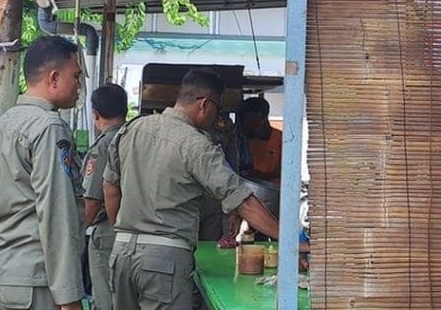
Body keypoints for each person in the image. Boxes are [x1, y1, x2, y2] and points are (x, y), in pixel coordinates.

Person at [103, 69, 291, 310]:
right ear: (204, 104)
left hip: (121, 255)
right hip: (164, 259)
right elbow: (242, 200)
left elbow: (109, 186)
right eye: (217, 109)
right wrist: (287, 239)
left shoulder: (131, 130)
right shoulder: (196, 144)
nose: (217, 117)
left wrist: (121, 231)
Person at [0, 36, 86, 310]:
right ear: (54, 78)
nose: (79, 86)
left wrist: (3, 247)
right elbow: (57, 212)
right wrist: (69, 296)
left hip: (1, 275)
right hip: (36, 282)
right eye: (76, 76)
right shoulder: (49, 128)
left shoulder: (0, 125)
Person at [81, 83, 128, 310]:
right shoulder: (135, 139)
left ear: (95, 113)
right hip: (135, 227)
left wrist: (75, 235)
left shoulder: (103, 146)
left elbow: (92, 201)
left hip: (108, 231)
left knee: (106, 299)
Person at [239, 97, 282, 182]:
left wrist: (261, 176)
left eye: (248, 120)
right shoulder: (241, 140)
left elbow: (290, 170)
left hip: (274, 191)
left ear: (261, 116)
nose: (245, 124)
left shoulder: (282, 139)